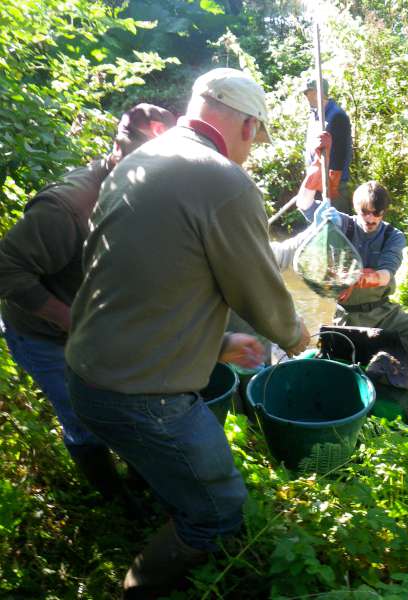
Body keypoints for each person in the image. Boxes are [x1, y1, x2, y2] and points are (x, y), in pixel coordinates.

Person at [64, 67, 311, 598]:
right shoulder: (222, 179)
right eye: (257, 139)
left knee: (167, 468)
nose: (251, 151)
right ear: (246, 126)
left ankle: (156, 499)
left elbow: (144, 282)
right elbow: (257, 288)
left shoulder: (142, 160)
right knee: (219, 510)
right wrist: (295, 337)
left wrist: (218, 344)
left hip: (86, 371)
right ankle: (136, 590)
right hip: (139, 396)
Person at [0, 103, 176, 514]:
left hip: (96, 327)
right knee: (82, 420)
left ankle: (142, 479)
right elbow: (6, 268)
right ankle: (117, 505)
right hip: (42, 335)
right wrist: (73, 320)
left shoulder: (138, 189)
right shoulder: (68, 207)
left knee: (125, 404)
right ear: (122, 150)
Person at [299, 181, 408, 372]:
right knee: (346, 364)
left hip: (385, 312)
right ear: (356, 208)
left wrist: (354, 279)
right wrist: (314, 172)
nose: (371, 218)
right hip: (349, 316)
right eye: (365, 212)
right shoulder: (341, 224)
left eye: (377, 213)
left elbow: (385, 275)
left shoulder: (393, 236)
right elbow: (305, 204)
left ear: (384, 212)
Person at [302, 78, 352, 204]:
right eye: (306, 93)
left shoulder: (336, 116)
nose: (307, 97)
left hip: (332, 185)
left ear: (319, 93)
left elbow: (340, 154)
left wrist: (332, 187)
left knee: (335, 222)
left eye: (310, 92)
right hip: (317, 182)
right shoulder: (315, 114)